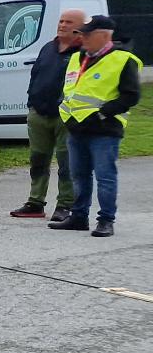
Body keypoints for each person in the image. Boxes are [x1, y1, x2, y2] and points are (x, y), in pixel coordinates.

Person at [51, 14, 141, 237]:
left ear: (103, 36)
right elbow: (69, 90)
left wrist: (102, 114)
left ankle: (106, 220)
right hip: (76, 128)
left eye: (87, 34)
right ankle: (79, 216)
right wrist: (65, 112)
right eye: (81, 34)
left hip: (105, 130)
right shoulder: (77, 57)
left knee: (105, 176)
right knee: (79, 176)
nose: (82, 38)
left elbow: (131, 96)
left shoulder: (123, 60)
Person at [12, 8, 87, 219]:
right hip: (38, 113)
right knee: (38, 160)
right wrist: (31, 103)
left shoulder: (83, 54)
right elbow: (36, 75)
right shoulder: (48, 48)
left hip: (66, 116)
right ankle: (35, 202)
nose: (62, 25)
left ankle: (65, 204)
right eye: (61, 21)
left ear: (80, 28)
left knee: (66, 163)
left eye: (69, 22)